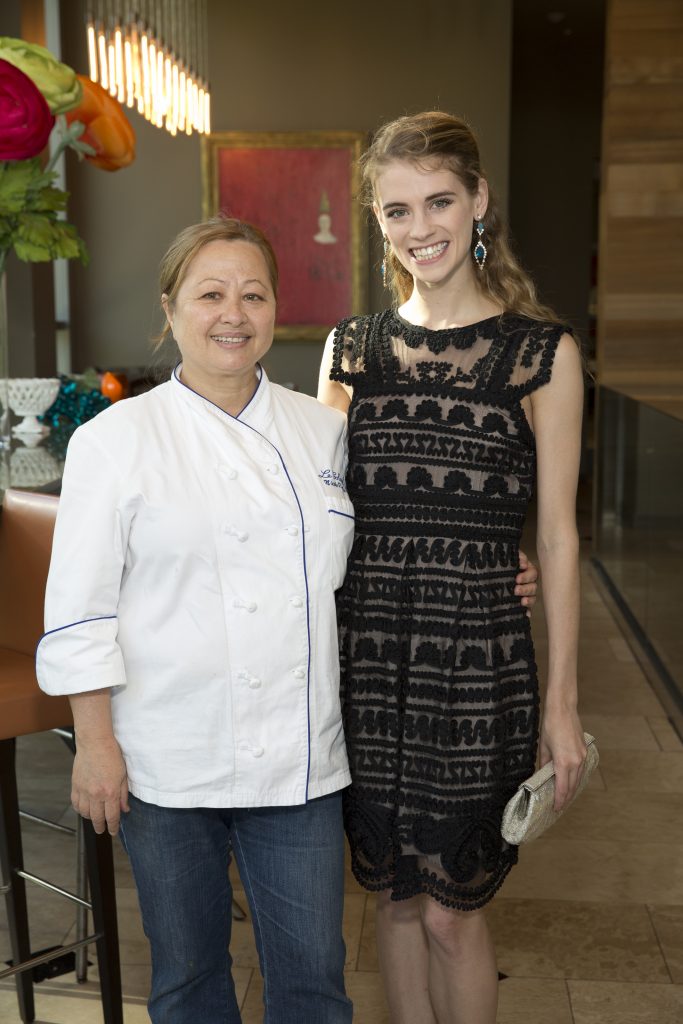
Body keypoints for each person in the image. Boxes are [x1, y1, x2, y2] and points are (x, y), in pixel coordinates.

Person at [36, 216, 357, 1024]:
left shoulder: (323, 431)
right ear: (171, 308)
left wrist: (501, 568)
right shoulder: (114, 441)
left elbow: (365, 573)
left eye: (253, 294)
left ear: (276, 308)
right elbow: (79, 610)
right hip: (165, 757)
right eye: (210, 294)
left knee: (315, 981)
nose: (233, 314)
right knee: (186, 978)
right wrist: (95, 747)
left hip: (298, 758)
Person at [318, 111, 587, 1024]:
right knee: (393, 901)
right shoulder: (350, 349)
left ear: (478, 200)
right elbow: (318, 516)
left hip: (478, 661)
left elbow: (557, 536)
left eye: (438, 201)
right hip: (367, 655)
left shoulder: (542, 355)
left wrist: (561, 707)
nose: (419, 227)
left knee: (447, 910)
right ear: (377, 220)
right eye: (396, 209)